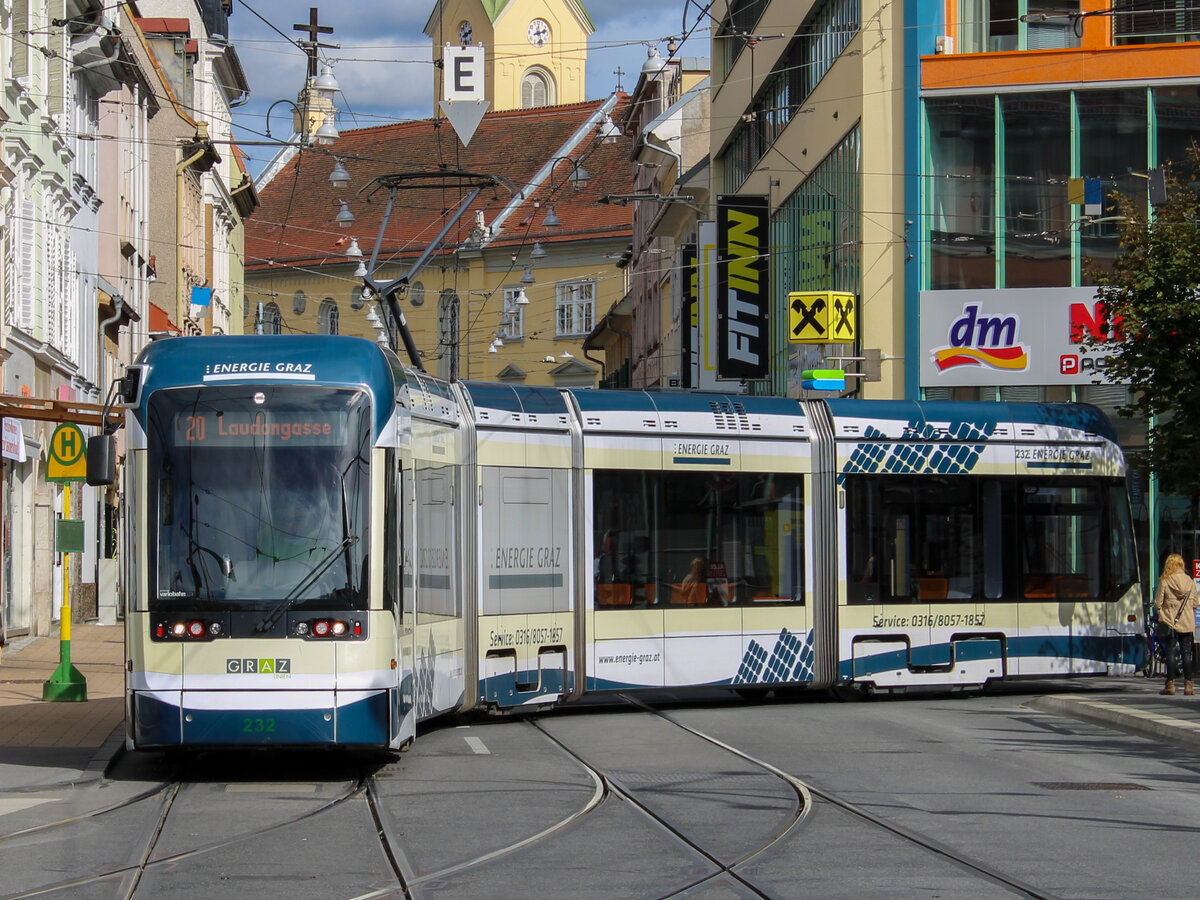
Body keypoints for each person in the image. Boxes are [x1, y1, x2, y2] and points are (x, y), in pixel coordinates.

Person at [1154, 553, 1199, 696]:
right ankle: (1188, 686)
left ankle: (1170, 685)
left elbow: (1157, 603)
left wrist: (1164, 611)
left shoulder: (1165, 581)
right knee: (1186, 652)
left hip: (1169, 622)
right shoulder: (1190, 582)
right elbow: (1196, 603)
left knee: (1171, 652)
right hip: (1186, 622)